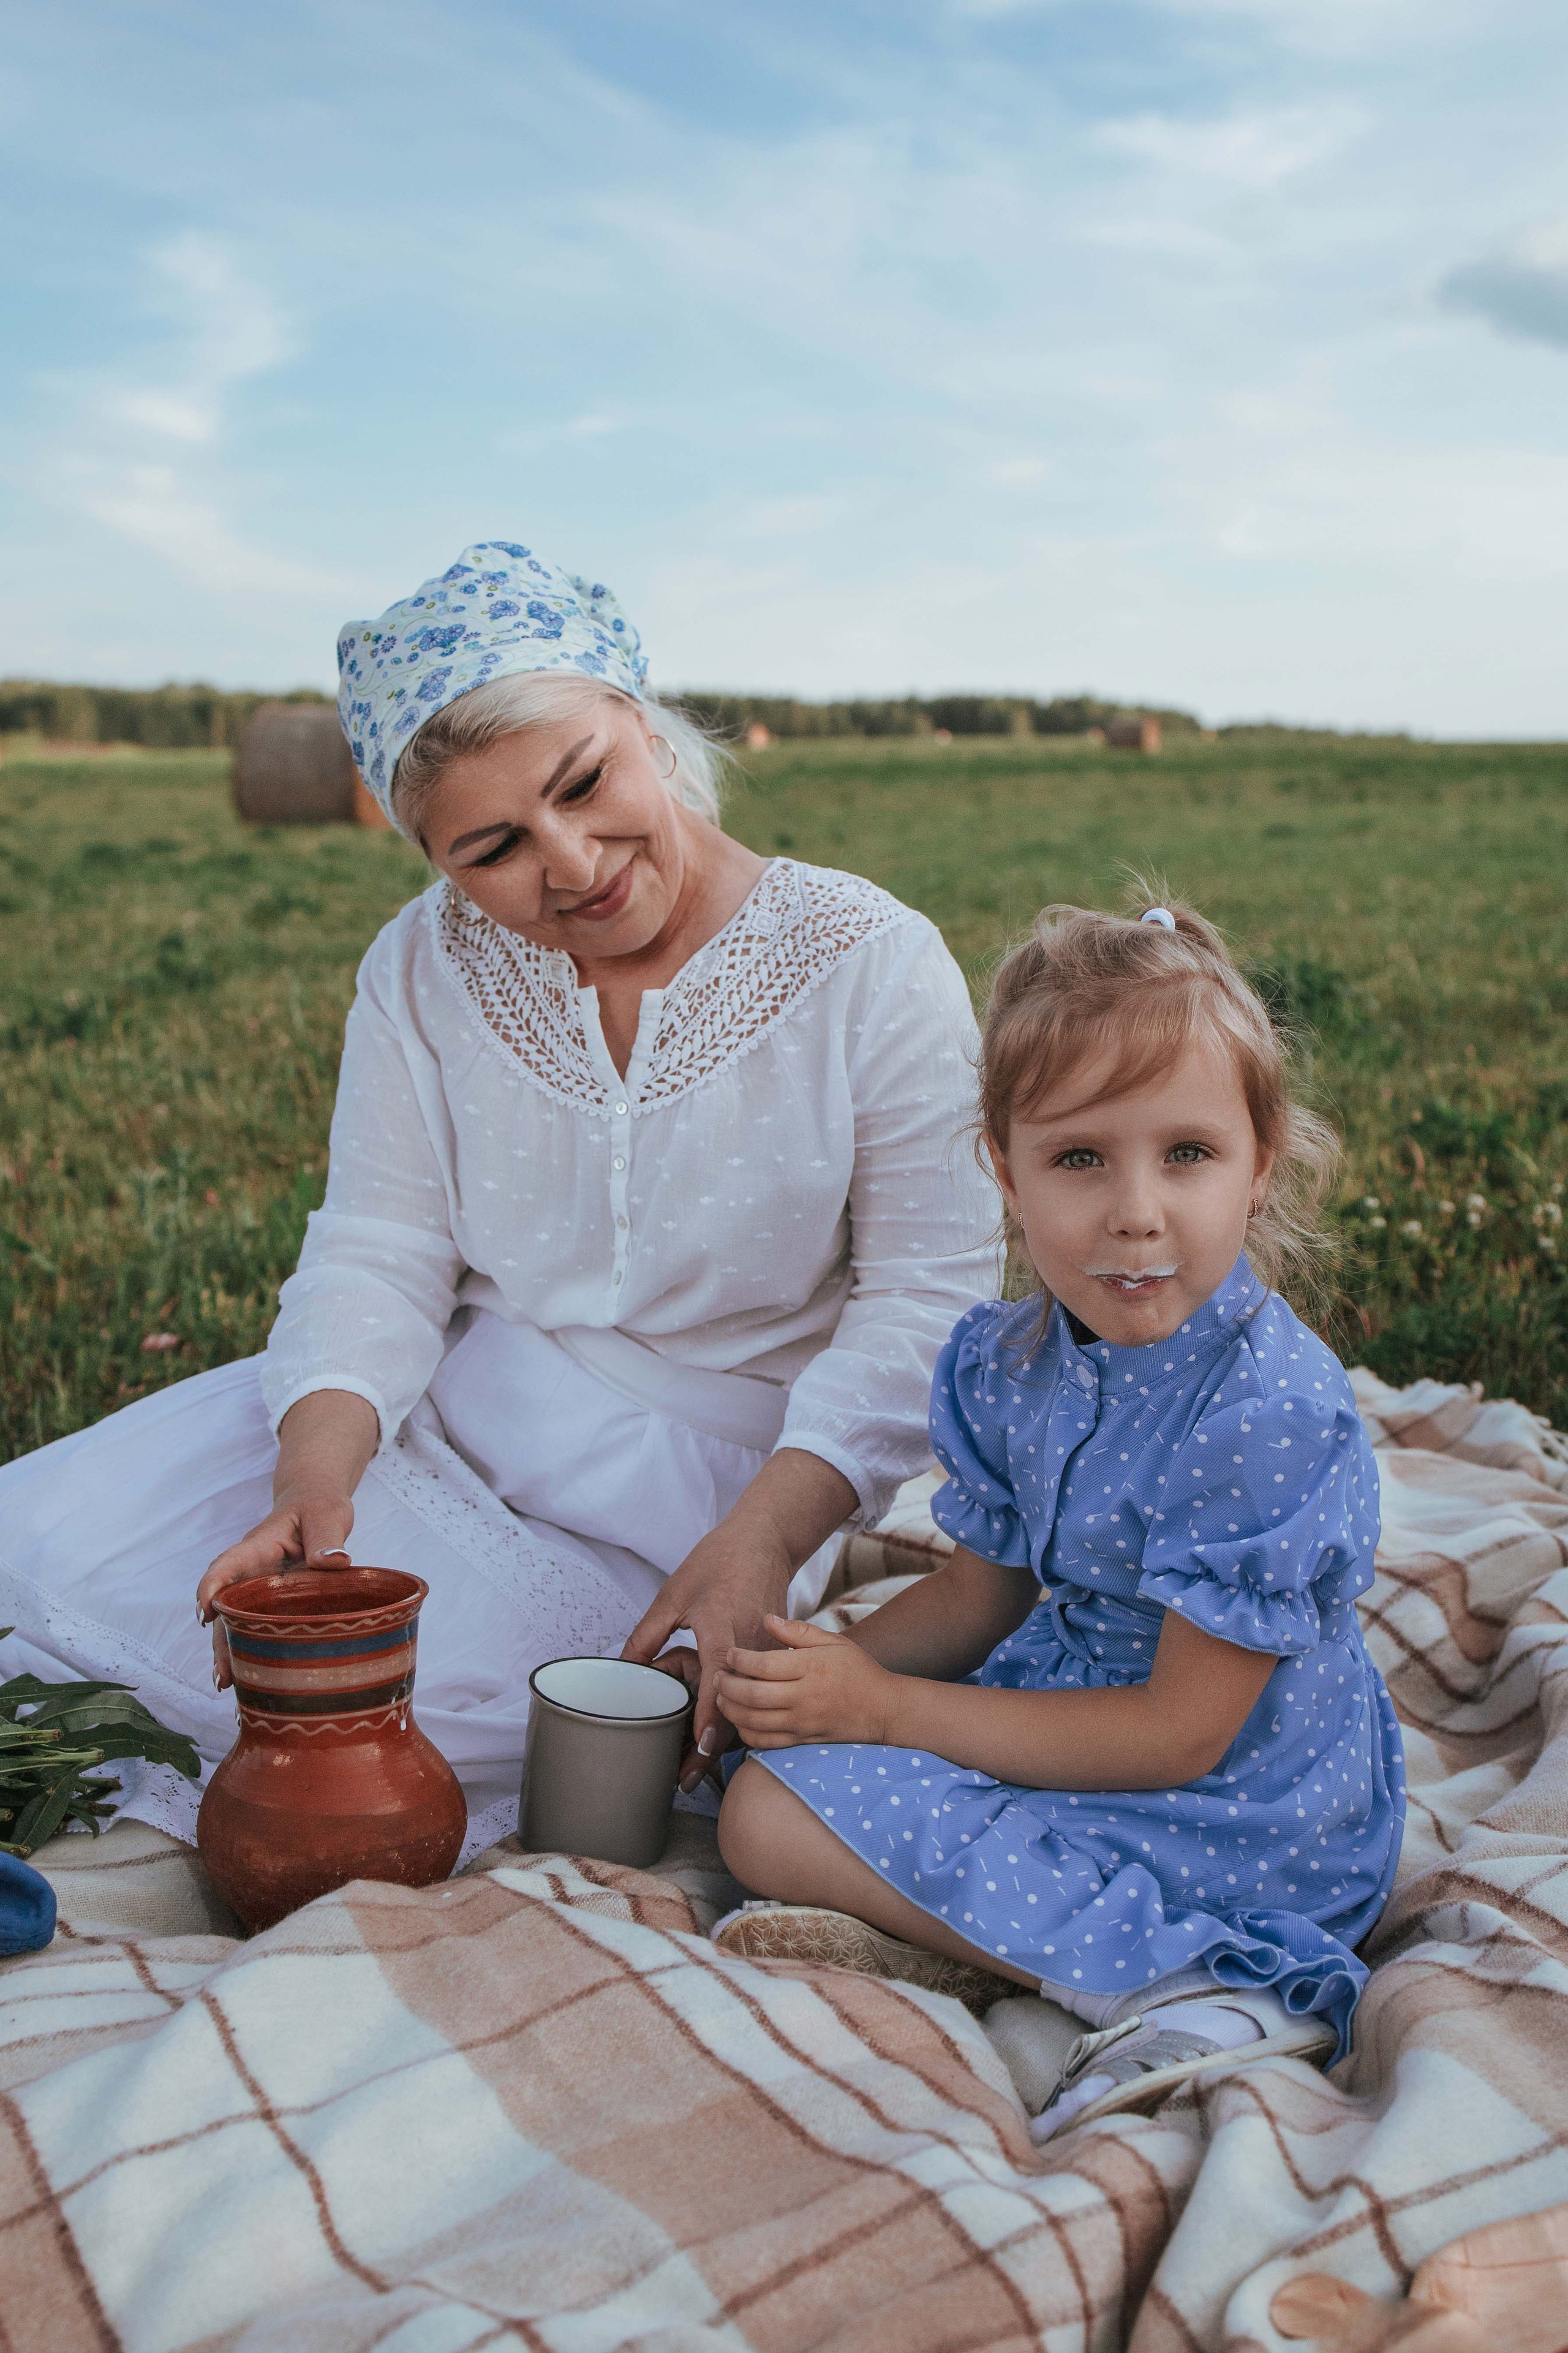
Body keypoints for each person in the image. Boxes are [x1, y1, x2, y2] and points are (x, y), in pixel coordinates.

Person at [0, 542, 998, 1851]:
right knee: (46, 1547)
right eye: (492, 848)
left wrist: (768, 1538)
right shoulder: (421, 967)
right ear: (433, 860)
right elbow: (380, 1244)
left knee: (447, 1719)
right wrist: (315, 1480)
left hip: (717, 1495)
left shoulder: (869, 963)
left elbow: (927, 1300)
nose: (572, 863)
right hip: (427, 1411)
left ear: (640, 718)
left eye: (585, 782)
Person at [712, 899, 1405, 2136]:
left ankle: (1199, 1981)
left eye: (1186, 1153)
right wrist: (802, 1677)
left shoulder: (1265, 1411)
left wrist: (883, 1712)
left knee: (771, 1817)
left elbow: (1180, 1734)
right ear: (1004, 1168)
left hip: (1242, 1812)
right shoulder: (1012, 1358)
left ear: (1259, 1161)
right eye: (1080, 1158)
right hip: (1067, 1710)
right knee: (761, 1780)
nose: (1135, 1210)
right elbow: (980, 1597)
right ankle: (1005, 1948)